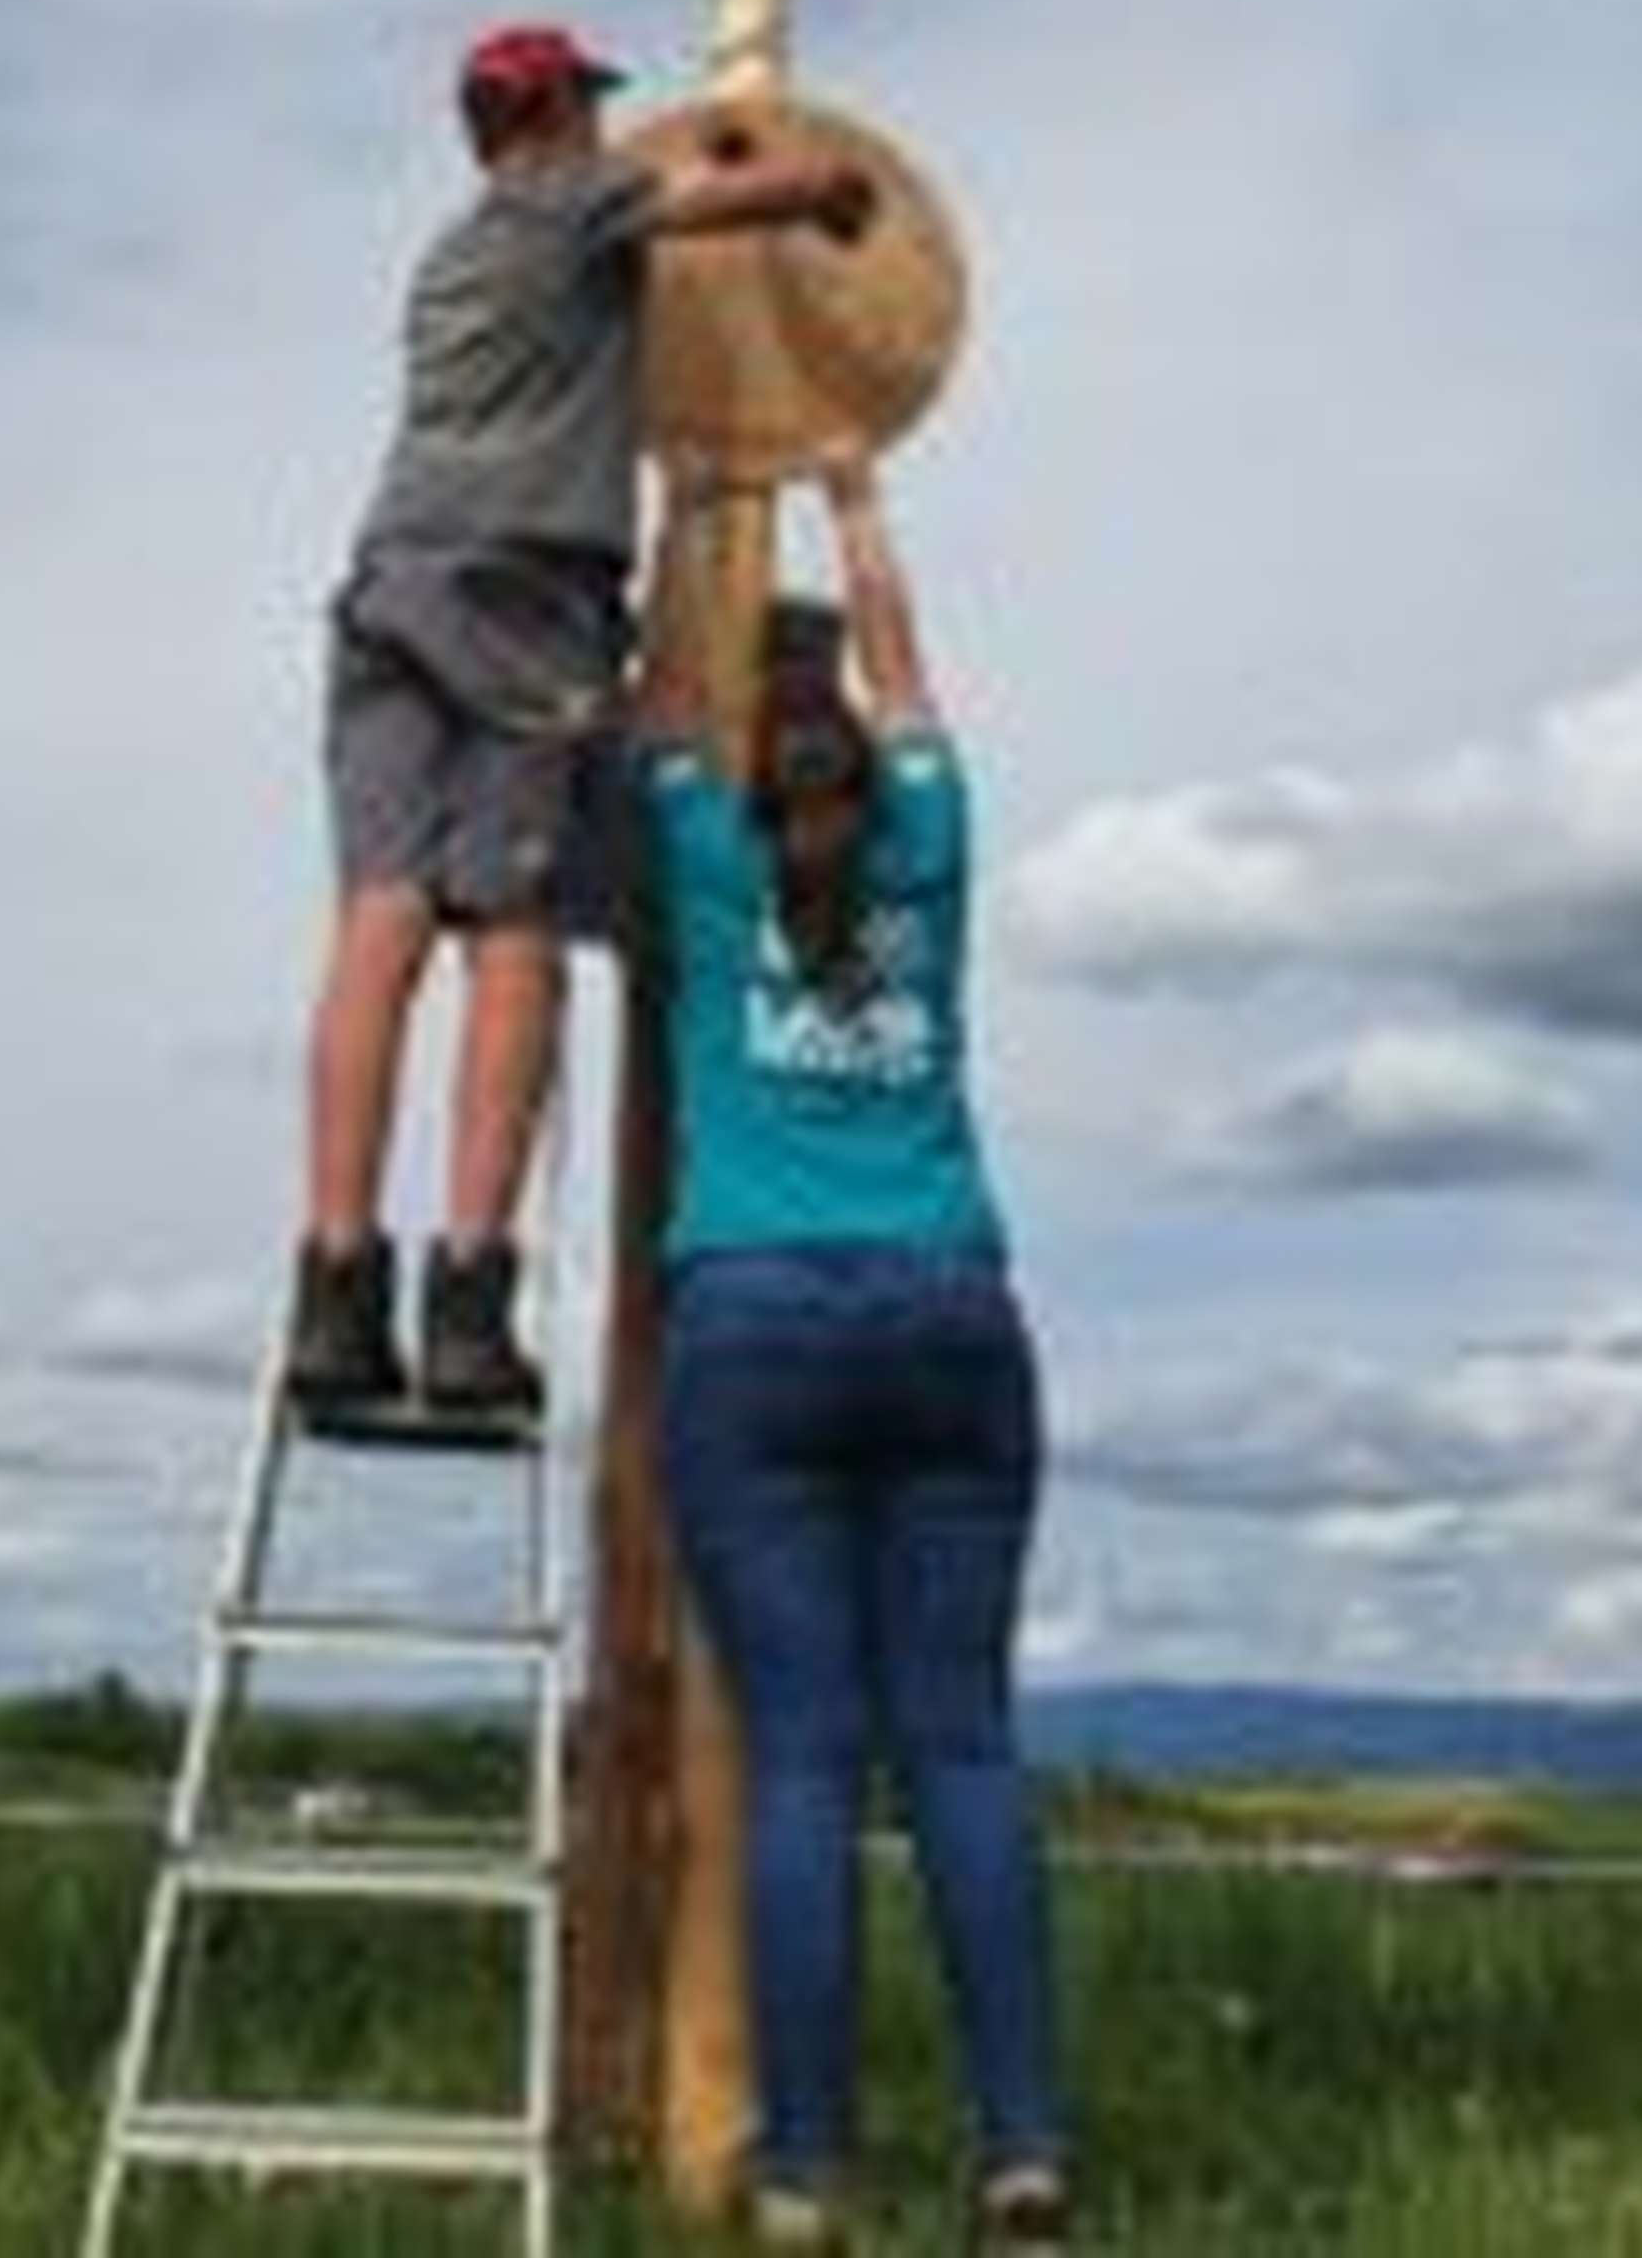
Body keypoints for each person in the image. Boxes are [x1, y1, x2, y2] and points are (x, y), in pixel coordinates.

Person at [287, 20, 873, 1424]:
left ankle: (335, 1282)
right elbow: (720, 197)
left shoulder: (455, 250)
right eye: (594, 109)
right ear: (550, 118)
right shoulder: (571, 200)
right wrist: (832, 194)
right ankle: (473, 1306)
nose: (614, 131)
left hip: (388, 593)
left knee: (380, 919)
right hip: (525, 598)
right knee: (515, 941)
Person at [641, 448, 1070, 2249]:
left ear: (748, 740)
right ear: (859, 738)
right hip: (953, 1314)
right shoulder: (935, 831)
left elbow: (666, 693)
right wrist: (857, 497)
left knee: (804, 1761)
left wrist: (693, 506)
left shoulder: (691, 836)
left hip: (752, 1323)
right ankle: (1023, 2150)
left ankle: (807, 2170)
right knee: (961, 1749)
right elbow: (906, 677)